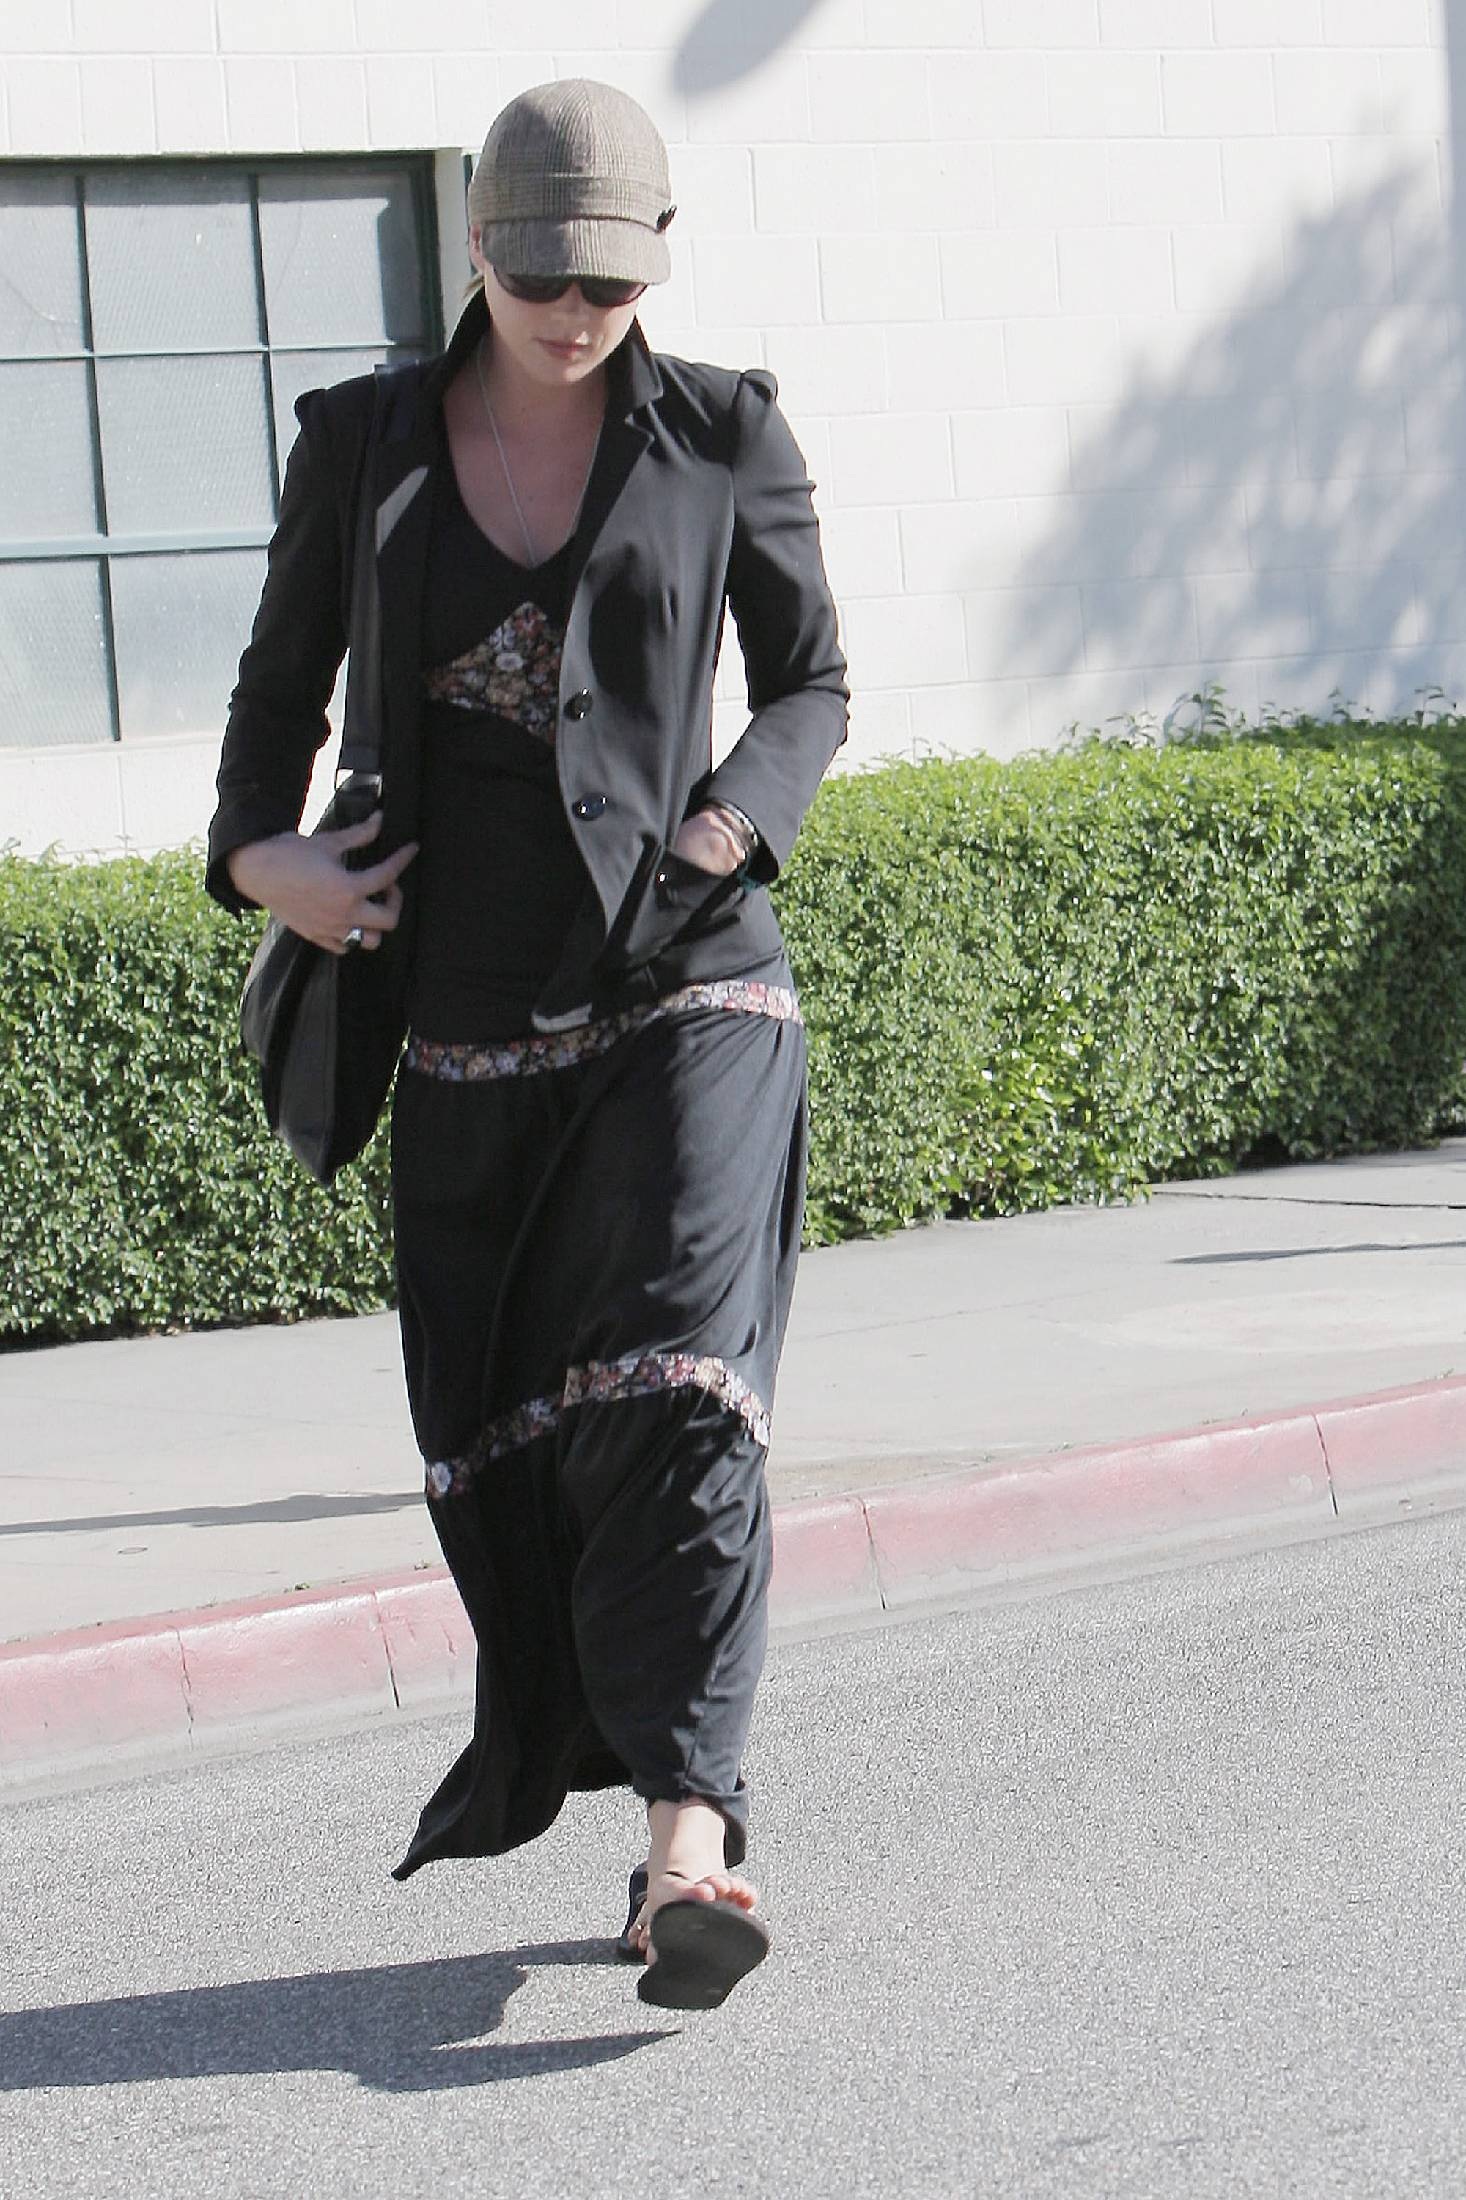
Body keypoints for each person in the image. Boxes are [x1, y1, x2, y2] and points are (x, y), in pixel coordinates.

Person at [206, 77, 848, 2012]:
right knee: (516, 1450)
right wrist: (262, 862)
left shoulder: (721, 429)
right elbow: (276, 692)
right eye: (543, 274)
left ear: (656, 264)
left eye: (611, 282)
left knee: (683, 1396)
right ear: (476, 246)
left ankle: (690, 1846)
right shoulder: (363, 442)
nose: (577, 312)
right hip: (467, 1022)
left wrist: (731, 824)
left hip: (691, 987)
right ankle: (629, 1774)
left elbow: (809, 682)